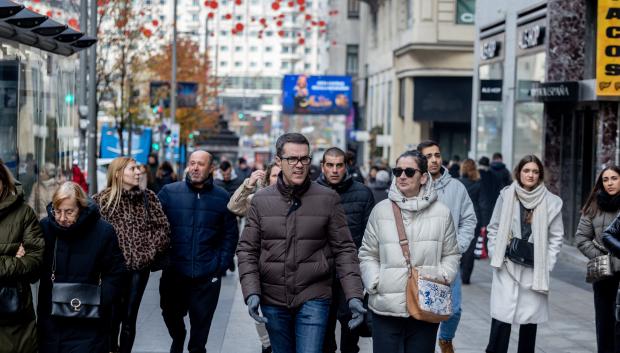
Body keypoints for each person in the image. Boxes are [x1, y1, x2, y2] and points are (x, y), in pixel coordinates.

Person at [237, 133, 366, 353]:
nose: (299, 165)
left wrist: (353, 295)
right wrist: (251, 292)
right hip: (273, 297)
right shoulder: (261, 200)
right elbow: (247, 250)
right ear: (278, 160)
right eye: (292, 159)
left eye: (304, 159)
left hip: (314, 295)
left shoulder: (328, 199)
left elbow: (345, 249)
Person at [358, 150, 460, 353]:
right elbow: (368, 253)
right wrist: (375, 282)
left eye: (409, 171)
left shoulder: (441, 213)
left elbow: (451, 254)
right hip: (386, 307)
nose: (402, 176)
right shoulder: (381, 211)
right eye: (397, 171)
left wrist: (442, 276)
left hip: (426, 304)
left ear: (423, 177)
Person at [157, 150, 239, 353]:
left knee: (200, 333)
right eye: (192, 163)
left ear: (211, 168)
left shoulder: (222, 197)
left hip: (206, 275)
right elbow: (154, 227)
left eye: (200, 164)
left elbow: (230, 234)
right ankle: (178, 336)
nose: (195, 167)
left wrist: (220, 265)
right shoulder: (169, 192)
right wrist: (163, 258)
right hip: (175, 272)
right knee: (169, 313)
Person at [485, 155, 564, 353]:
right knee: (501, 322)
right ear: (519, 173)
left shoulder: (552, 202)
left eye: (535, 171)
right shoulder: (506, 195)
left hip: (534, 270)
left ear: (540, 175)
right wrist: (497, 253)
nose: (530, 175)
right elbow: (493, 228)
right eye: (526, 170)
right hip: (507, 267)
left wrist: (547, 265)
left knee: (529, 325)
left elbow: (556, 238)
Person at [92, 157, 170, 353]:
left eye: (138, 169)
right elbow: (90, 233)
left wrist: (147, 252)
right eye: (133, 169)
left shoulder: (148, 197)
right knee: (110, 318)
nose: (138, 172)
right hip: (110, 271)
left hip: (138, 269)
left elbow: (163, 229)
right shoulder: (100, 200)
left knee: (129, 318)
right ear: (118, 173)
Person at [38, 182, 125, 353]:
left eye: (69, 212)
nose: (62, 218)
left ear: (81, 207)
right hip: (52, 319)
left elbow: (116, 272)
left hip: (90, 319)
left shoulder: (103, 231)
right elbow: (34, 266)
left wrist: (100, 299)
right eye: (58, 211)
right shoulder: (45, 228)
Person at [417, 140, 476, 353]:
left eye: (437, 155)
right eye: (428, 156)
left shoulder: (456, 187)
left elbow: (469, 219)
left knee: (454, 310)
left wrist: (458, 246)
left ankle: (446, 339)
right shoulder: (413, 184)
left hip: (449, 260)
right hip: (420, 260)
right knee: (424, 311)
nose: (434, 160)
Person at [317, 147, 375, 353]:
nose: (334, 170)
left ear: (346, 166)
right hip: (320, 275)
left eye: (339, 165)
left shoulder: (362, 193)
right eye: (330, 165)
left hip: (351, 274)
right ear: (322, 167)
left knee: (351, 332)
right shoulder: (311, 192)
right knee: (323, 335)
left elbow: (371, 236)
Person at [227, 162, 281, 353]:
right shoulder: (256, 199)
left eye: (281, 174)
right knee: (261, 308)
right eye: (274, 175)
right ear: (267, 179)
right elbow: (234, 206)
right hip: (261, 262)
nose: (279, 179)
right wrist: (248, 184)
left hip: (284, 265)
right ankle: (266, 343)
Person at [0, 160, 44, 353]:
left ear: (3, 181)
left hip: (14, 317)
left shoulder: (24, 213)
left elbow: (35, 261)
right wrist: (12, 257)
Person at [576, 165, 620, 353]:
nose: (610, 183)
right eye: (605, 179)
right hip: (603, 269)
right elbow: (581, 238)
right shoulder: (593, 206)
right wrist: (602, 257)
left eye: (614, 178)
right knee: (604, 320)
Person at [458, 159, 485, 284]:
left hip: (460, 217)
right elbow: (482, 204)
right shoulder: (479, 184)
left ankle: (459, 272)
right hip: (475, 218)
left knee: (459, 245)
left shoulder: (458, 183)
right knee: (471, 248)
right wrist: (484, 222)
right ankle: (466, 277)